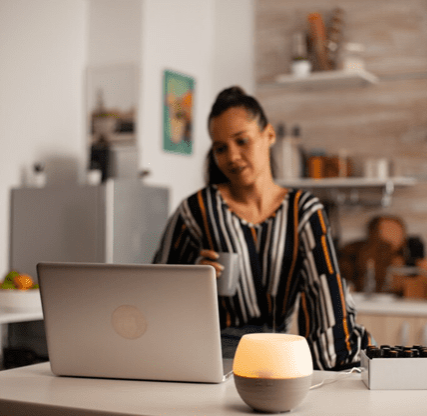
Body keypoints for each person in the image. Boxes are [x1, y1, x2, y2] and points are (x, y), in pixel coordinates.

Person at [153, 86, 370, 371]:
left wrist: (339, 366)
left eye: (242, 141)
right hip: (208, 360)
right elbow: (156, 295)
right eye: (220, 148)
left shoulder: (304, 212)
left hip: (276, 357)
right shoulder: (195, 211)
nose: (231, 156)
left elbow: (326, 294)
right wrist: (192, 280)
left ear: (269, 135)